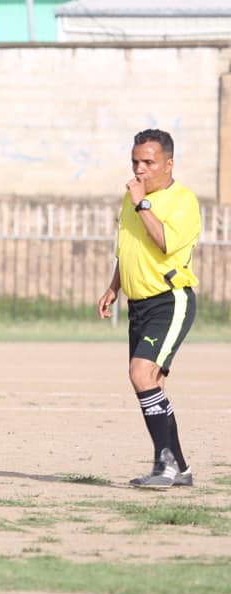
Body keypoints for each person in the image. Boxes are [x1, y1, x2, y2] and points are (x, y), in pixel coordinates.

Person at [98, 128, 199, 489]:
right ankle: (180, 468)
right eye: (135, 161)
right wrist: (114, 286)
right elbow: (127, 247)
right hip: (138, 304)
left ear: (168, 164)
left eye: (149, 162)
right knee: (150, 382)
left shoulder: (182, 200)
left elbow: (164, 242)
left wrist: (143, 203)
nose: (140, 169)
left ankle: (165, 465)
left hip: (170, 301)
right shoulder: (131, 199)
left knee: (141, 374)